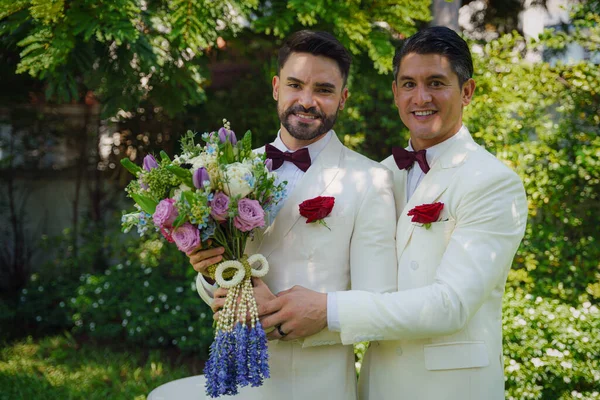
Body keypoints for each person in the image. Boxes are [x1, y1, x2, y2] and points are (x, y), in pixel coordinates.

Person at [259, 26, 528, 400]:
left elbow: (451, 305)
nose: (421, 97)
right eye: (408, 84)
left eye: (436, 83)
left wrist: (328, 309)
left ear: (467, 92)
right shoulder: (381, 173)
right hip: (378, 386)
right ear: (395, 92)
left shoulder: (494, 182)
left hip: (450, 388)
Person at [190, 30, 398, 400]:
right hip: (233, 378)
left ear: (343, 98)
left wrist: (311, 316)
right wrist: (211, 280)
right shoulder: (226, 169)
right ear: (276, 87)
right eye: (295, 84)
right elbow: (216, 279)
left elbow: (377, 300)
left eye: (324, 89)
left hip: (318, 383)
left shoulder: (370, 179)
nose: (307, 101)